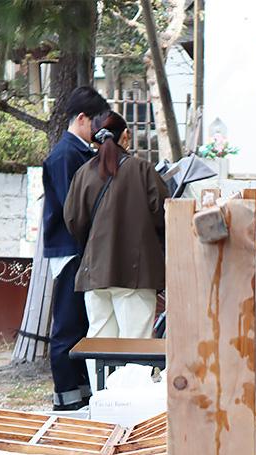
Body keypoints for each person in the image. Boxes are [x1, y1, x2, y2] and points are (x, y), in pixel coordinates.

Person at [63, 111, 168, 381]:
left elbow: (73, 221)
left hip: (94, 272)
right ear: (125, 135)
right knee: (137, 343)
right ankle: (134, 411)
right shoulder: (142, 170)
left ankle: (103, 405)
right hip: (136, 271)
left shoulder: (83, 173)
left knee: (99, 340)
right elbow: (165, 214)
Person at [42, 86, 110, 410]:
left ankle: (80, 393)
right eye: (96, 122)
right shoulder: (65, 155)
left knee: (82, 322)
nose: (99, 129)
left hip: (82, 249)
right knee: (68, 325)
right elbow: (74, 210)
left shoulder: (81, 151)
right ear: (82, 119)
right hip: (70, 250)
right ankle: (65, 397)